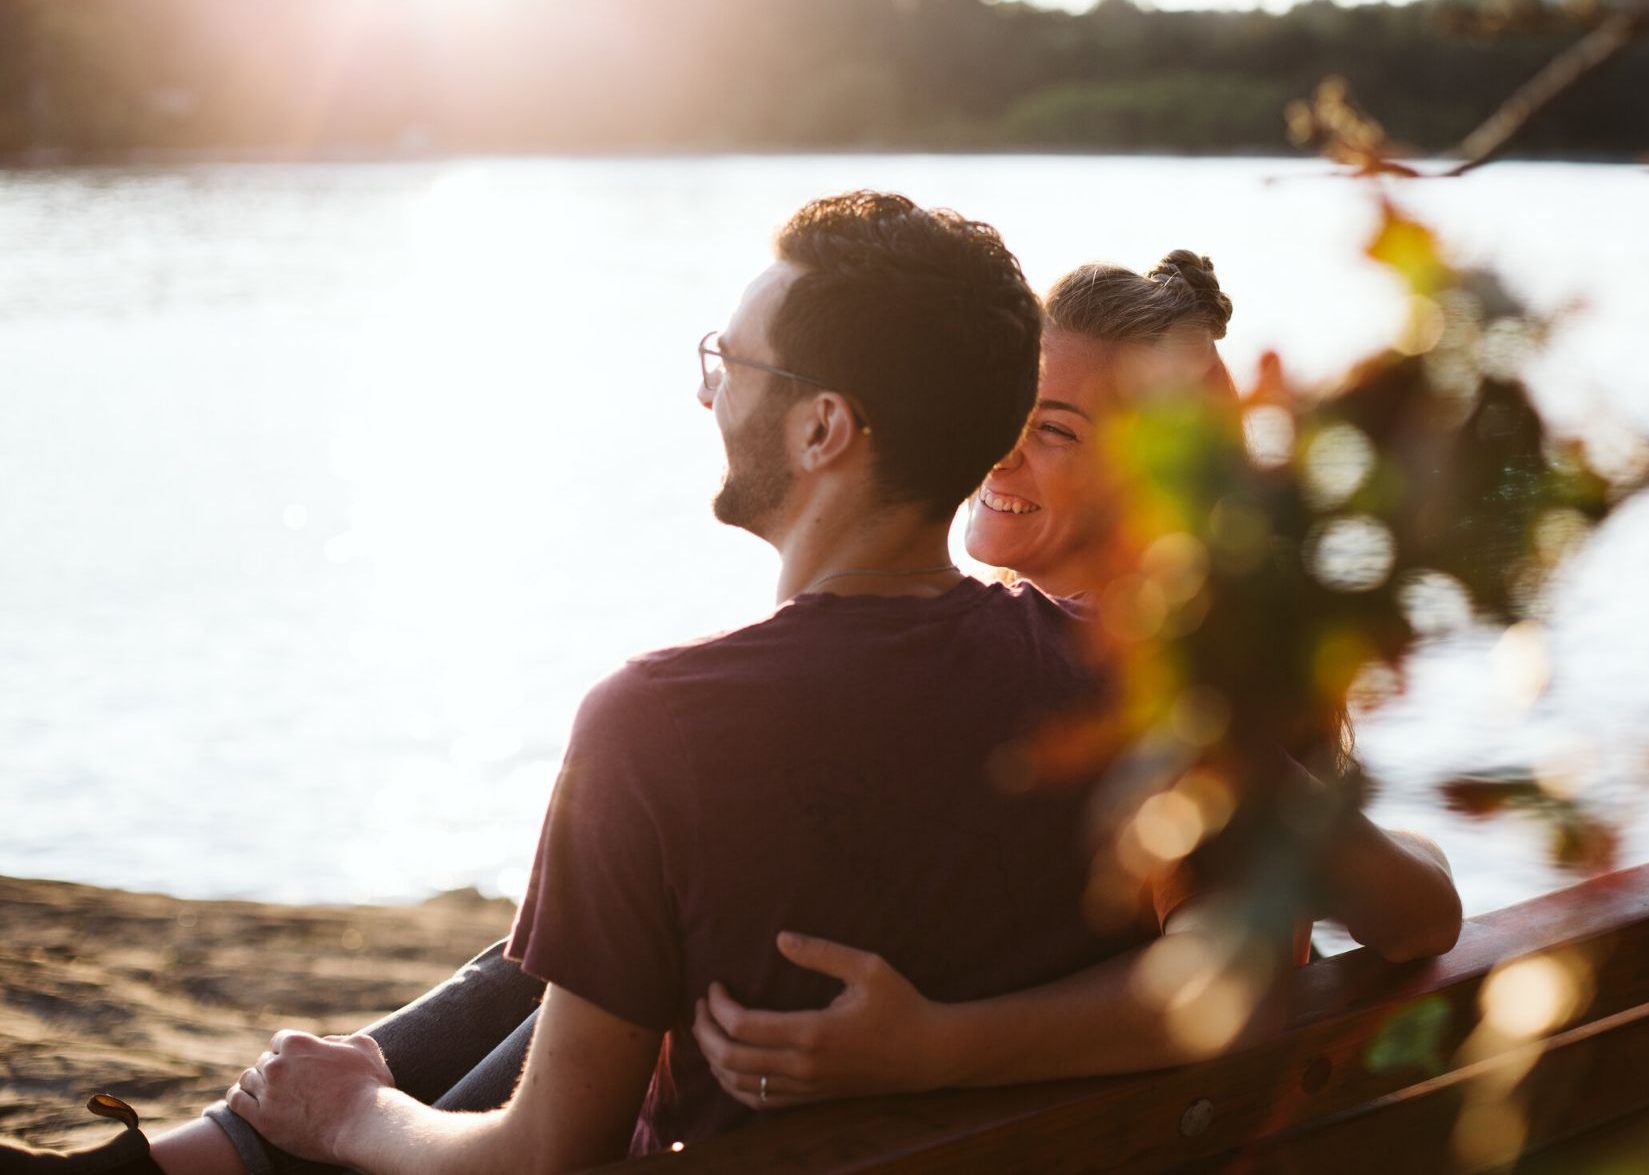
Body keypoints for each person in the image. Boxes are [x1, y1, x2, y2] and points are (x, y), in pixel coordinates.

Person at [0, 192, 1144, 1175]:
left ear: (821, 429)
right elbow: (1244, 964)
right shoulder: (1110, 666)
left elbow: (541, 1153)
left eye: (728, 363)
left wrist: (356, 1113)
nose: (708, 396)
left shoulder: (661, 723)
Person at [687, 250, 1462, 1110]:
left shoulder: (1176, 692)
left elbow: (1377, 929)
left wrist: (935, 1047)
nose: (1003, 453)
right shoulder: (989, 641)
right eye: (1010, 412)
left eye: (1055, 431)